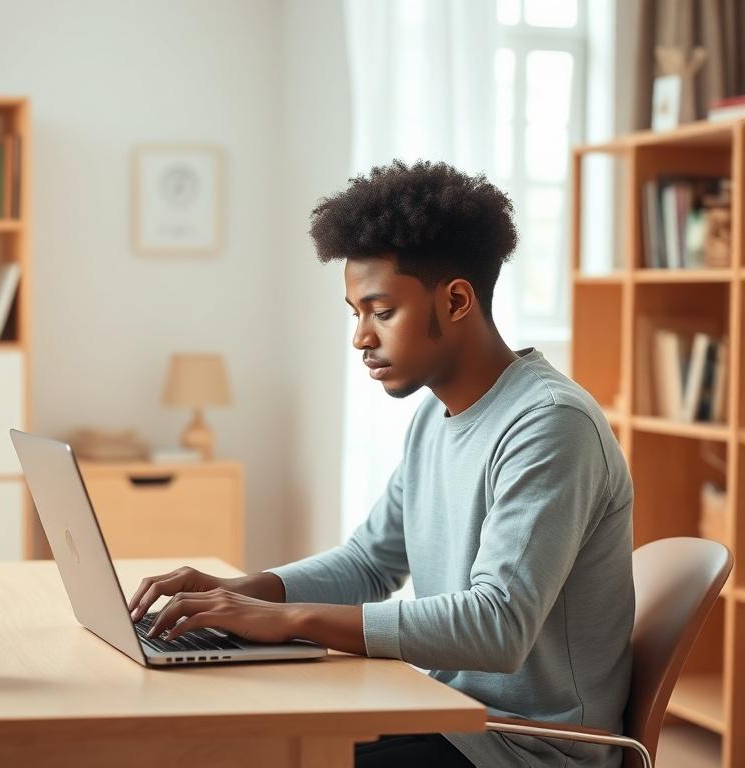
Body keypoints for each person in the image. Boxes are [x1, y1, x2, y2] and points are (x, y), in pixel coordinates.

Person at [127, 159, 634, 768]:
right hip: (440, 711)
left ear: (455, 300)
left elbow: (498, 624)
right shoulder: (433, 418)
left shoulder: (550, 425)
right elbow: (371, 561)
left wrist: (286, 619)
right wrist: (239, 593)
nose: (361, 337)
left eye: (380, 311)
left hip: (519, 750)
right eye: (355, 313)